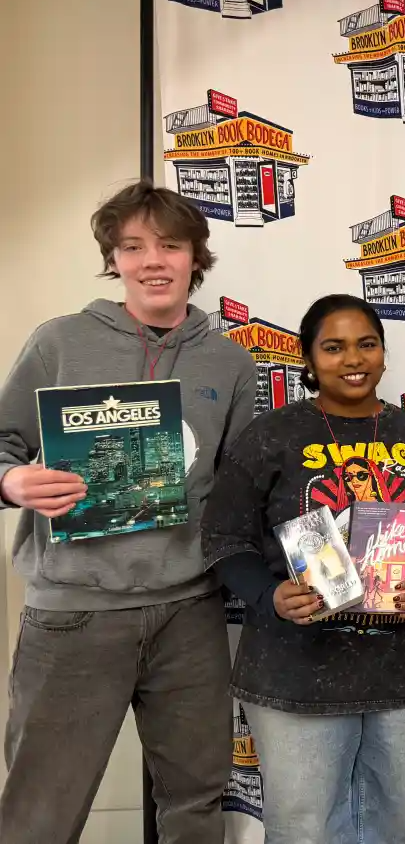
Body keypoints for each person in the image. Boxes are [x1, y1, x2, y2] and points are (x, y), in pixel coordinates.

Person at [0, 179, 258, 843]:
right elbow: (2, 447)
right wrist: (13, 482)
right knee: (40, 812)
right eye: (134, 246)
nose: (153, 261)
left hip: (190, 612)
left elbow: (237, 488)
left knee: (196, 803)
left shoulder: (229, 363)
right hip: (75, 612)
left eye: (170, 245)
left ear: (195, 257)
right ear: (113, 259)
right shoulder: (59, 343)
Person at [201, 294, 405, 844]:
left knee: (392, 827)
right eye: (334, 347)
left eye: (366, 344)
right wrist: (269, 595)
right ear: (308, 359)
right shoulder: (271, 436)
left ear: (383, 353)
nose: (353, 359)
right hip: (295, 670)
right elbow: (223, 539)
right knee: (302, 830)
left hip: (399, 671)